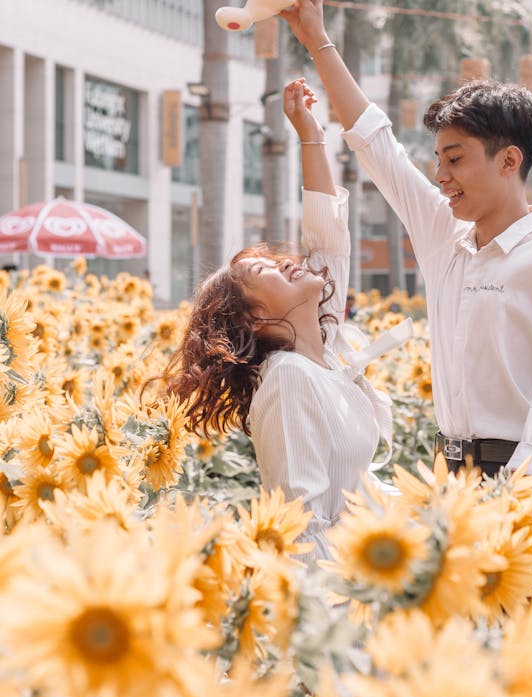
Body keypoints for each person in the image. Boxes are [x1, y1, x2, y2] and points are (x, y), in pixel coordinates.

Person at [280, 0, 532, 610]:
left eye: (454, 159)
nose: (439, 175)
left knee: (513, 689)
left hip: (521, 502)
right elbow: (376, 145)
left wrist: (509, 508)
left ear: (509, 160)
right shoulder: (444, 239)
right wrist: (317, 39)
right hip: (447, 492)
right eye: (438, 157)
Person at [166, 79, 405, 562]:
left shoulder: (326, 352)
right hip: (342, 603)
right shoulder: (290, 379)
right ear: (255, 316)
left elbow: (329, 240)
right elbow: (301, 533)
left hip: (376, 576)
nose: (284, 262)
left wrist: (310, 134)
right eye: (265, 271)